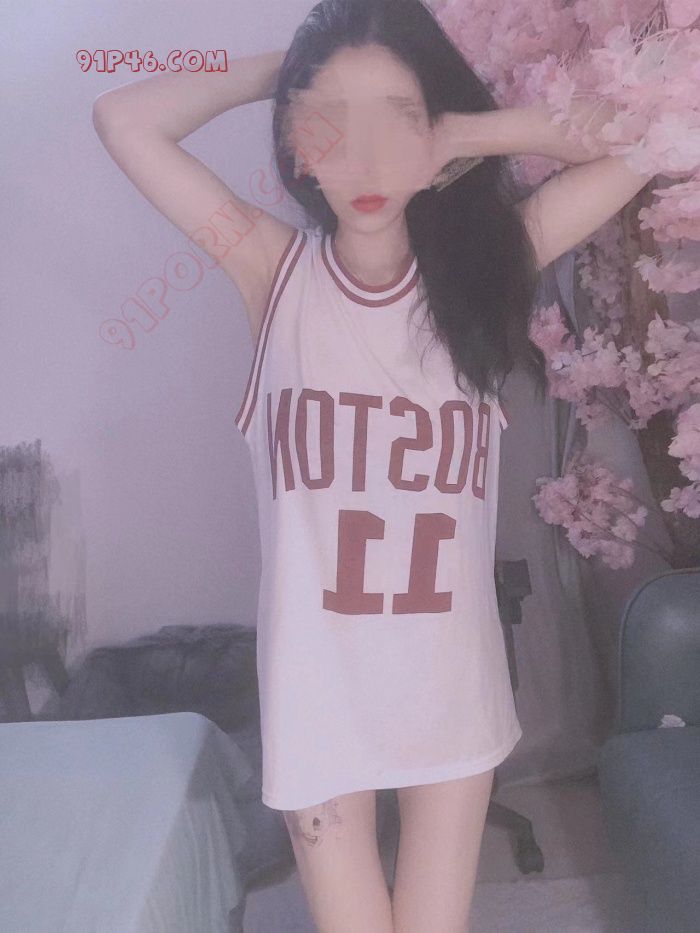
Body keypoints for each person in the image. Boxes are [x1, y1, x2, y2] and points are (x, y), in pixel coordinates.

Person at [92, 1, 546, 929]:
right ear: (298, 147)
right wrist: (290, 71)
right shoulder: (273, 273)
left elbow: (652, 137)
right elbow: (123, 118)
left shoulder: (490, 269)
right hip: (319, 699)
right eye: (333, 126)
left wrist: (462, 131)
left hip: (452, 688)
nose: (366, 158)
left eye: (397, 121)